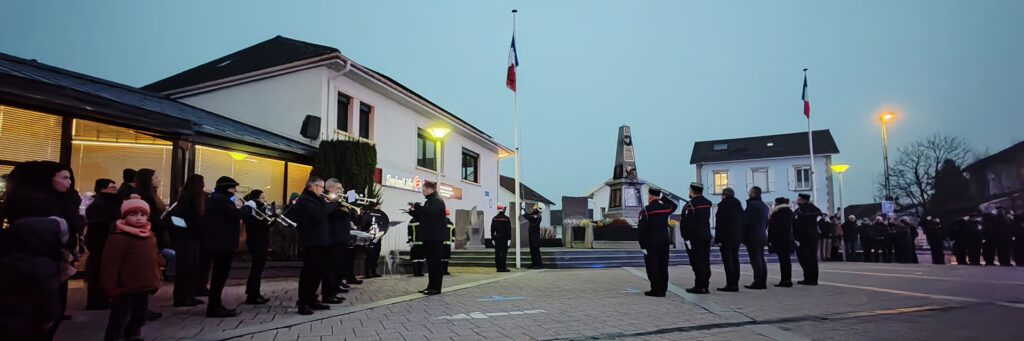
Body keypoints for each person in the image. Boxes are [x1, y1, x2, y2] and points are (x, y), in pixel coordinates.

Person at [4, 161, 86, 328]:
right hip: (34, 268)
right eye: (64, 177)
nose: (69, 183)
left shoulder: (53, 199)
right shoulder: (37, 204)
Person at [0, 217, 74, 340]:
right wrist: (50, 318)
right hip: (33, 322)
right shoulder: (44, 266)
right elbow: (49, 294)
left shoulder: (8, 259)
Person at [101, 195, 162, 341]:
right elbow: (109, 264)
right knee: (121, 316)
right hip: (125, 287)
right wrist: (110, 286)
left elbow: (153, 261)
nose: (139, 218)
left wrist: (155, 279)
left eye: (142, 215)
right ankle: (114, 337)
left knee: (139, 315)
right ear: (125, 215)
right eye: (133, 214)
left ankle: (133, 335)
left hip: (144, 285)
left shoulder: (150, 237)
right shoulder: (118, 238)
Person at [285, 177, 331, 315]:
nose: (323, 190)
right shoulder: (305, 199)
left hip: (319, 241)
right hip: (311, 242)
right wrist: (328, 203)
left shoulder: (316, 200)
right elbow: (319, 215)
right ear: (313, 186)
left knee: (317, 272)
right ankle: (303, 302)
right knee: (309, 273)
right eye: (321, 187)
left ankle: (312, 299)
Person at [200, 176, 243, 318]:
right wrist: (248, 208)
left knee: (220, 276)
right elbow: (235, 215)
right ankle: (214, 307)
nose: (235, 190)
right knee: (219, 276)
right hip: (221, 244)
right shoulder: (220, 199)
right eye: (233, 187)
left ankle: (216, 305)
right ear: (227, 187)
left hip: (221, 243)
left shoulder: (217, 198)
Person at [85, 178, 121, 310]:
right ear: (102, 189)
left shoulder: (102, 203)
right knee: (99, 270)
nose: (115, 189)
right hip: (101, 243)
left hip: (101, 242)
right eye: (112, 187)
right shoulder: (101, 205)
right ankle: (97, 299)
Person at [170, 174, 206, 307]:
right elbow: (177, 218)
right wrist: (189, 229)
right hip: (187, 238)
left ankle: (188, 295)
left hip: (191, 236)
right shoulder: (187, 198)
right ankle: (182, 297)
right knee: (186, 267)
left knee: (190, 268)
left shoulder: (188, 197)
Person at [637, 188, 678, 297]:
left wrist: (643, 245)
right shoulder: (665, 208)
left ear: (650, 196)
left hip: (651, 243)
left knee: (652, 266)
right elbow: (674, 205)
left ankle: (655, 289)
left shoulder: (646, 210)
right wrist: (662, 198)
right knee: (663, 266)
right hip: (664, 241)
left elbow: (642, 229)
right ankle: (663, 290)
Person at [409, 182, 446, 295]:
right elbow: (425, 217)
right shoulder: (429, 202)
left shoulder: (437, 201)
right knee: (430, 263)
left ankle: (436, 288)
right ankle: (430, 287)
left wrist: (418, 207)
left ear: (430, 190)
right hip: (429, 237)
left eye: (424, 190)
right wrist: (413, 213)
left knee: (435, 264)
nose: (423, 193)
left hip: (435, 238)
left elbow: (432, 213)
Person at [321, 179, 350, 305]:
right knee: (329, 269)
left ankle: (333, 291)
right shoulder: (327, 200)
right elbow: (328, 214)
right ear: (331, 189)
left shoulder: (337, 202)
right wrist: (336, 204)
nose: (342, 191)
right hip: (332, 239)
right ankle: (327, 295)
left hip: (340, 238)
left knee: (336, 267)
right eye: (339, 188)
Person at [680, 182, 712, 294]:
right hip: (706, 235)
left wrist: (686, 237)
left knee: (697, 261)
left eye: (690, 191)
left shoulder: (690, 205)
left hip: (695, 237)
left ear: (693, 192)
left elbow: (685, 222)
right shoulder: (707, 203)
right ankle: (705, 285)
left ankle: (699, 286)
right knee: (705, 261)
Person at [241, 190, 272, 305]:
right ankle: (252, 295)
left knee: (258, 268)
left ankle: (255, 292)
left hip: (261, 240)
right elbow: (256, 223)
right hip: (256, 241)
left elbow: (266, 224)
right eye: (262, 198)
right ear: (256, 198)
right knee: (257, 268)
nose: (264, 200)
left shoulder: (259, 209)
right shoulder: (251, 208)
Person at [714, 187, 743, 292]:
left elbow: (720, 223)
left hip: (726, 237)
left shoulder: (723, 205)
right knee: (735, 259)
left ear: (724, 195)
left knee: (728, 261)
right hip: (736, 237)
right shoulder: (738, 205)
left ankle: (730, 284)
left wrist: (718, 239)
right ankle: (735, 283)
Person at [742, 186, 769, 290]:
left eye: (750, 192)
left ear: (753, 193)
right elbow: (766, 222)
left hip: (753, 235)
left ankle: (758, 282)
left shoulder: (752, 205)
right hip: (762, 234)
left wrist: (743, 235)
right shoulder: (764, 206)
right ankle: (763, 281)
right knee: (761, 258)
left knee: (755, 260)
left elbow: (746, 221)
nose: (748, 194)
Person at [793, 194, 821, 286]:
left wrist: (795, 237)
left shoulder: (800, 210)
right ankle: (813, 279)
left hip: (803, 238)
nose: (798, 201)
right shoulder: (814, 208)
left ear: (804, 200)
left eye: (799, 199)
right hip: (813, 236)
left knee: (804, 258)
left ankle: (809, 278)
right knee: (812, 258)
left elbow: (796, 224)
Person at [768, 197, 795, 287]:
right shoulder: (789, 212)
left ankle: (785, 280)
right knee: (786, 261)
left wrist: (770, 240)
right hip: (787, 239)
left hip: (780, 240)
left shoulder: (778, 213)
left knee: (784, 261)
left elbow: (773, 227)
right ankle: (787, 279)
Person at [360, 202, 390, 278]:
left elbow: (384, 224)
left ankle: (373, 271)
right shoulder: (368, 214)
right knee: (369, 255)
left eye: (380, 208)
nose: (379, 209)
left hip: (378, 238)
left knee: (376, 255)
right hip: (369, 237)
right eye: (378, 207)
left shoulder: (381, 215)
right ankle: (367, 273)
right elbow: (364, 225)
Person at [491, 205, 512, 272]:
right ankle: (503, 267)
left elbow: (492, 230)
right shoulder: (506, 219)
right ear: (504, 209)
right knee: (503, 253)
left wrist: (493, 238)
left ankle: (498, 268)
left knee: (497, 253)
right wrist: (509, 239)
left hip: (497, 237)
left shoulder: (494, 218)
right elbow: (509, 230)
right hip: (504, 238)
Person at [407, 206, 425, 277]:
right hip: (414, 243)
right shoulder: (412, 221)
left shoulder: (424, 220)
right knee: (415, 258)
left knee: (421, 258)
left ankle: (420, 272)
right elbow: (409, 232)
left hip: (423, 243)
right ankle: (415, 272)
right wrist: (410, 240)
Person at [442, 209, 455, 276]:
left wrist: (452, 241)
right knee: (442, 258)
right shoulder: (440, 222)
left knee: (446, 258)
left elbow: (453, 233)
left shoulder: (450, 223)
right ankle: (442, 270)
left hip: (447, 243)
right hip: (442, 243)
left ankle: (445, 270)